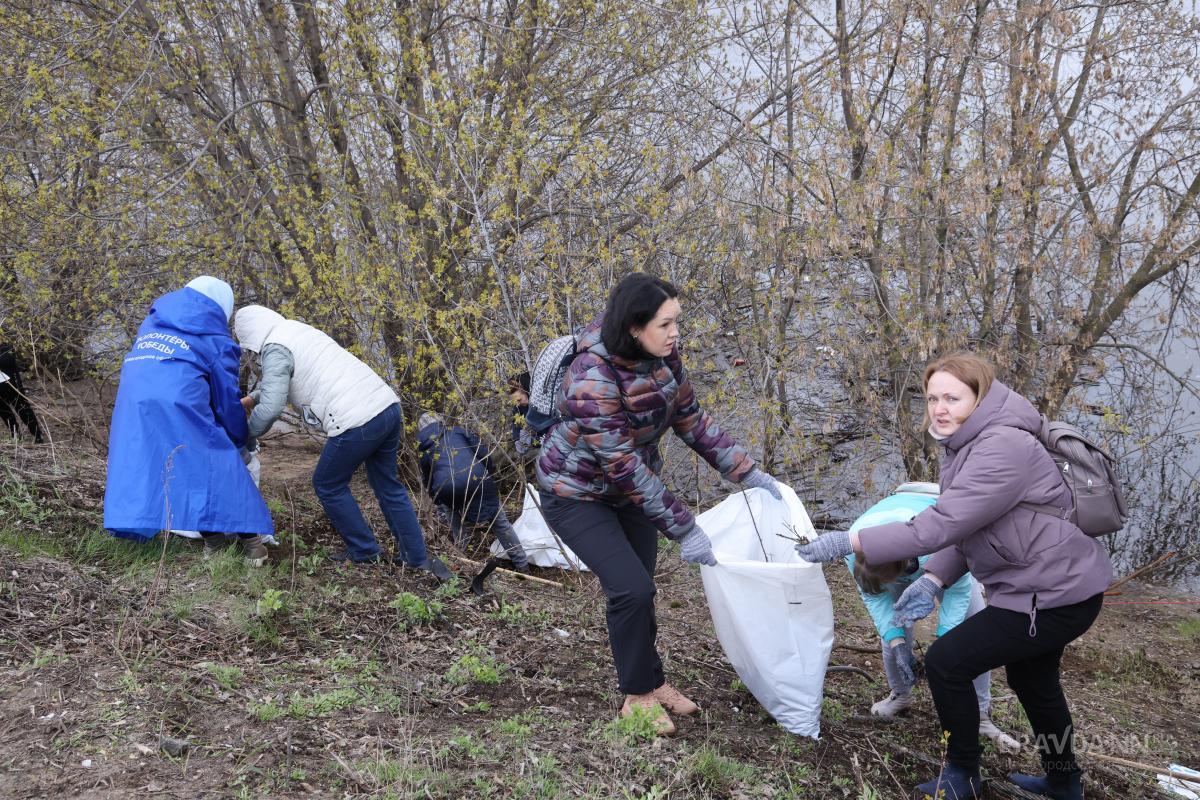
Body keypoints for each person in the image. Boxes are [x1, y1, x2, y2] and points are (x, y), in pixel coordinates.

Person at [796, 353, 1111, 800]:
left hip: (1050, 594)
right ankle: (1064, 782)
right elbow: (970, 529)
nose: (939, 408)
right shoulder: (971, 443)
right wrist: (935, 579)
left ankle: (962, 775)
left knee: (947, 663)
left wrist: (850, 542)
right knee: (1033, 682)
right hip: (1046, 587)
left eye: (952, 398)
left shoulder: (1001, 447)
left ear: (980, 398)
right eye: (932, 398)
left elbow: (939, 524)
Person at [536, 273, 784, 736]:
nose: (676, 333)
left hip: (627, 490)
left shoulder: (664, 359)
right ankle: (636, 695)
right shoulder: (592, 373)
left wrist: (747, 472)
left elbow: (692, 420)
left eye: (677, 323)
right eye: (666, 324)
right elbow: (621, 463)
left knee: (642, 587)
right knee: (630, 589)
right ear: (634, 327)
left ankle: (653, 680)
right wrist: (685, 528)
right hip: (576, 493)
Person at [233, 305, 451, 580]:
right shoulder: (296, 332)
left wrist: (248, 434)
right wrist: (251, 399)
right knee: (388, 486)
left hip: (356, 419)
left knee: (327, 483)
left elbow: (274, 404)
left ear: (249, 335)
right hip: (386, 407)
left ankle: (364, 552)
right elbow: (280, 381)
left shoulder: (275, 347)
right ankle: (417, 558)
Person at [103, 277, 273, 565]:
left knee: (178, 466)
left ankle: (214, 542)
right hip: (180, 405)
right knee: (219, 465)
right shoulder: (216, 340)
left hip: (135, 407)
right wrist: (238, 438)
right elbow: (226, 400)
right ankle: (253, 545)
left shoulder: (152, 324)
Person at [846, 482, 1020, 753]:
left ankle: (981, 716)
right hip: (896, 538)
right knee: (894, 636)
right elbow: (875, 598)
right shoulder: (856, 549)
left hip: (934, 535)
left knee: (973, 632)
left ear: (904, 569)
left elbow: (958, 590)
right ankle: (900, 695)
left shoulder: (937, 543)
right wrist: (897, 643)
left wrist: (943, 642)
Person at [416, 411, 530, 572]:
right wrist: (487, 475)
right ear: (441, 422)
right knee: (499, 523)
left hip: (449, 487)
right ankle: (522, 564)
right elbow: (483, 454)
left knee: (451, 510)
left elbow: (429, 480)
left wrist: (438, 501)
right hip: (478, 478)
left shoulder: (424, 449)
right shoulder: (457, 431)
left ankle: (463, 555)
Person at [0, 344, 43, 443]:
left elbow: (8, 360)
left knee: (24, 411)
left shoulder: (5, 349)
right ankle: (16, 435)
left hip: (13, 387)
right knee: (5, 414)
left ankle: (37, 435)